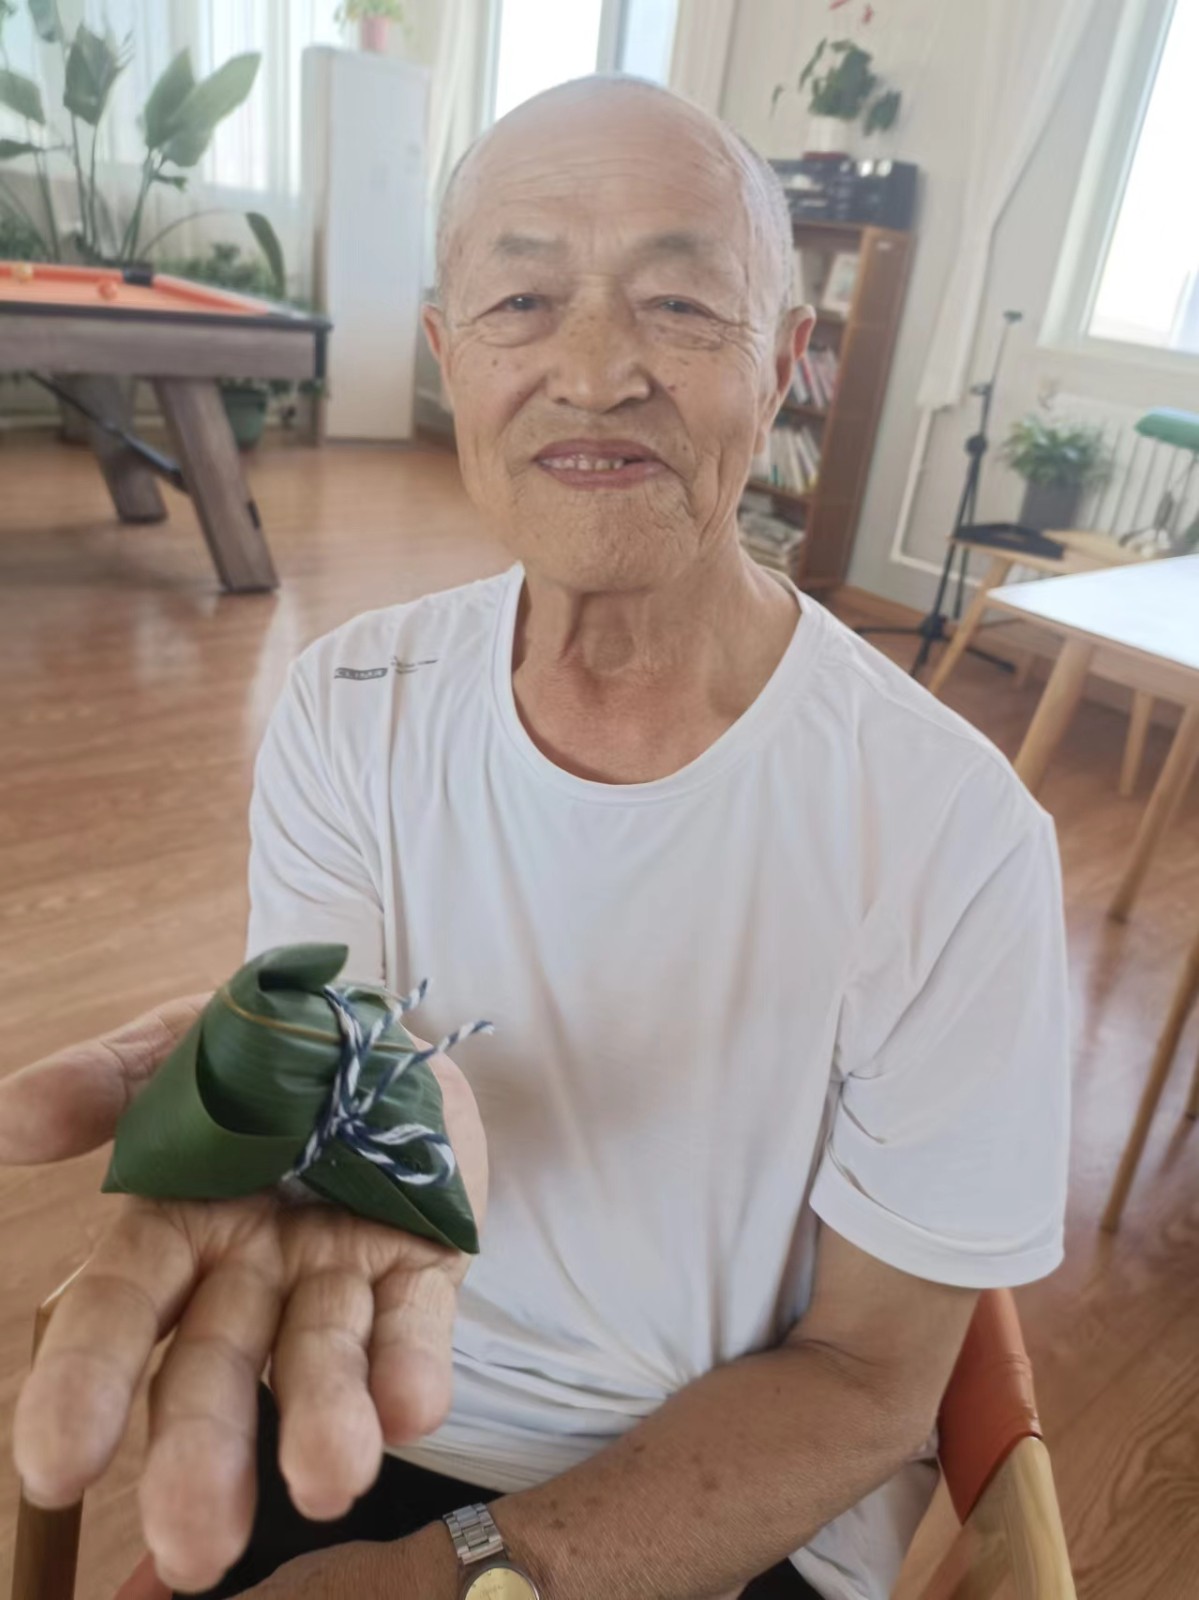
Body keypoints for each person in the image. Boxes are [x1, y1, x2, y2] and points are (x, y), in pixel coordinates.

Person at [1, 76, 1070, 1600]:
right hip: (365, 1390)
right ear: (451, 359)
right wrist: (313, 1101)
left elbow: (869, 1382)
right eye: (522, 300)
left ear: (783, 367)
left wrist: (455, 1578)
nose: (594, 369)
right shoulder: (351, 705)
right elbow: (353, 1079)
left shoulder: (955, 837)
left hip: (737, 1504)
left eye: (680, 305)